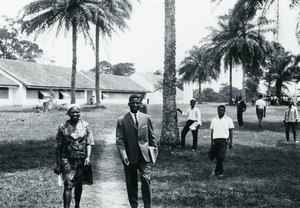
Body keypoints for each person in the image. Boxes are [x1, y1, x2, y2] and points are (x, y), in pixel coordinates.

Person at [116, 94, 158, 208]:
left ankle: (147, 205)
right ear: (129, 104)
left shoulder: (146, 118)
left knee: (146, 180)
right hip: (130, 157)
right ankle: (134, 205)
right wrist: (123, 154)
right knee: (131, 183)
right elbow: (120, 140)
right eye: (133, 103)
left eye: (137, 103)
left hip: (145, 156)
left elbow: (152, 137)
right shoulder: (122, 120)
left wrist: (154, 153)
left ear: (140, 104)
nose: (135, 105)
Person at [54, 104, 94, 208]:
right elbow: (58, 146)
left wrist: (88, 157)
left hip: (82, 160)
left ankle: (77, 205)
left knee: (79, 184)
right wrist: (58, 164)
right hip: (68, 160)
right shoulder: (63, 127)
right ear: (68, 113)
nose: (75, 114)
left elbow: (89, 142)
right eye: (72, 112)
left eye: (77, 112)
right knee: (68, 185)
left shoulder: (86, 125)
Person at [209, 105, 234, 177]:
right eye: (219, 110)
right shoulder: (214, 120)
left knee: (221, 156)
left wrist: (231, 142)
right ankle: (220, 171)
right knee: (217, 156)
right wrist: (211, 142)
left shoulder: (228, 119)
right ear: (217, 111)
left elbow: (231, 131)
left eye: (222, 110)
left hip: (224, 140)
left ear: (224, 111)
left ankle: (216, 170)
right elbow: (212, 131)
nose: (220, 112)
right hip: (216, 140)